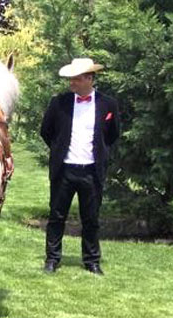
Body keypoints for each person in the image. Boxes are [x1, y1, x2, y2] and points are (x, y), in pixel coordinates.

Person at [40, 57, 121, 275]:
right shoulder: (59, 102)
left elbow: (113, 134)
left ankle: (92, 261)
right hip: (64, 169)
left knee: (91, 219)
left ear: (89, 79)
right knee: (57, 216)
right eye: (70, 79)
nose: (71, 83)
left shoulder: (108, 104)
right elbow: (46, 131)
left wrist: (99, 153)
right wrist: (59, 150)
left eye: (75, 79)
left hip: (92, 171)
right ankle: (52, 259)